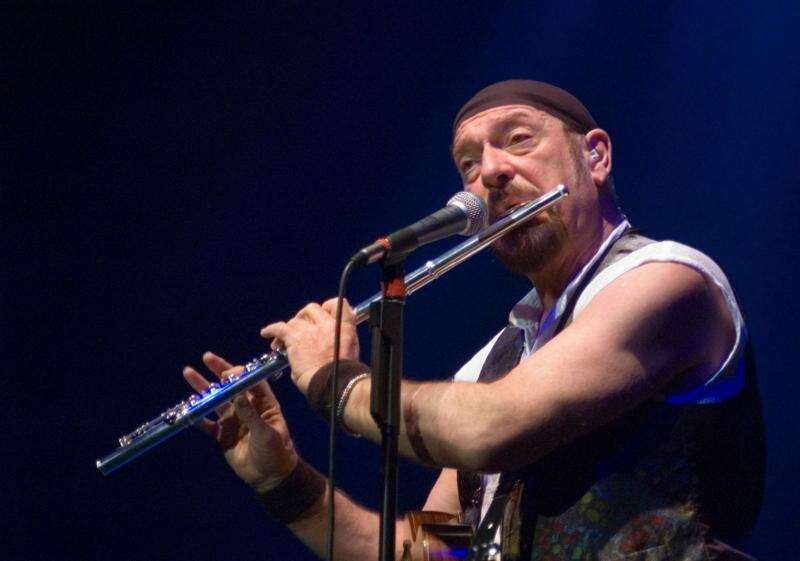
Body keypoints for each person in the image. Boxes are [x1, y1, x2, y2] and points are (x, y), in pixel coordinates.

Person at [183, 80, 765, 560]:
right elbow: (432, 553)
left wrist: (335, 380)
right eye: (468, 164)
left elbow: (490, 430)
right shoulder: (493, 364)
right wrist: (283, 481)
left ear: (595, 156)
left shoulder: (670, 279)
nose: (490, 171)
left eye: (518, 140)